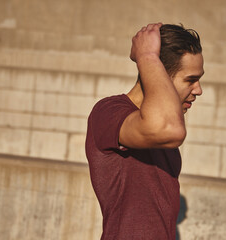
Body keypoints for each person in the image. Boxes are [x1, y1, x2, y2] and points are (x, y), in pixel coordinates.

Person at [85, 22, 204, 240]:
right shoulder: (109, 112)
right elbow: (169, 130)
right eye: (191, 80)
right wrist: (147, 56)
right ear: (160, 76)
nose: (198, 90)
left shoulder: (161, 137)